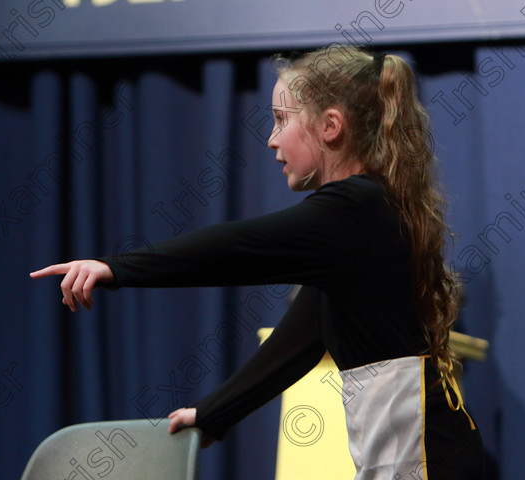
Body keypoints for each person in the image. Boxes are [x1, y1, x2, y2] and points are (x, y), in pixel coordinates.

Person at [30, 45, 483, 479]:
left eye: (282, 121)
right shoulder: (356, 222)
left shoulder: (355, 207)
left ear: (330, 126)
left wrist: (116, 269)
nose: (270, 140)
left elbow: (238, 248)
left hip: (426, 461)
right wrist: (212, 415)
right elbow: (301, 339)